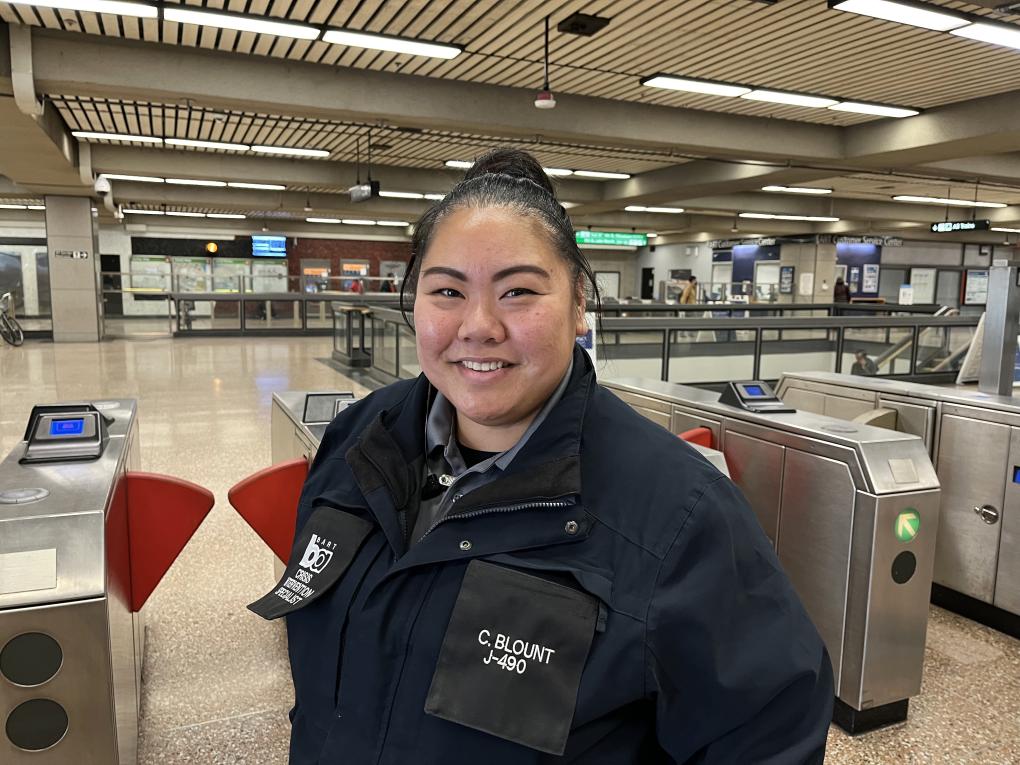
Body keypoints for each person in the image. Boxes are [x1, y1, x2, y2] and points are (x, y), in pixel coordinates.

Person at [252, 148, 833, 764]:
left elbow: (768, 739)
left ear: (579, 304)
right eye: (447, 290)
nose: (478, 326)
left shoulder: (680, 520)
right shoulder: (359, 440)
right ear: (414, 301)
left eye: (518, 292)